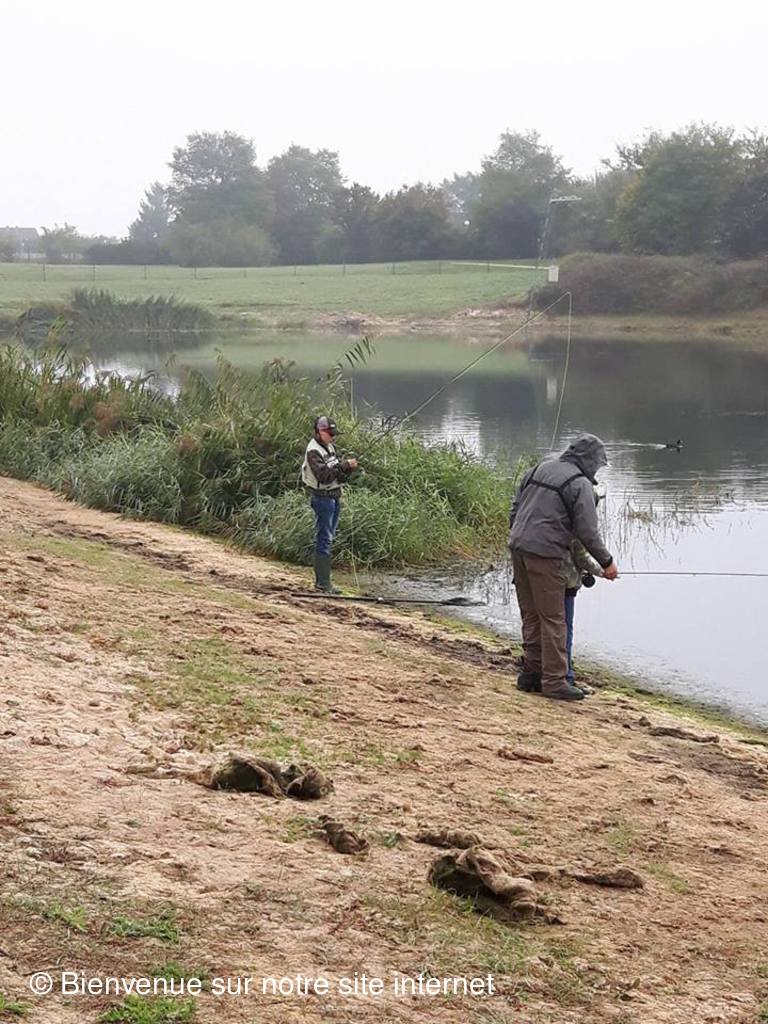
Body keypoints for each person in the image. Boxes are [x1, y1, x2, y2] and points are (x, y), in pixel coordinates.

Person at [508, 433, 618, 701]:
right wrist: (607, 562)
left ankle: (531, 674)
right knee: (554, 621)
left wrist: (521, 537)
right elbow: (587, 532)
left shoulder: (538, 468)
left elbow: (514, 510)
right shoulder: (580, 484)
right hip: (547, 555)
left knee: (531, 616)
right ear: (590, 461)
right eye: (598, 464)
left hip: (519, 548)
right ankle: (555, 682)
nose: (597, 470)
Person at [301, 415, 358, 593]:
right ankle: (323, 584)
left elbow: (336, 474)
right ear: (319, 432)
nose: (333, 437)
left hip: (333, 497)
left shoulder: (329, 447)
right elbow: (324, 476)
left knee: (328, 538)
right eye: (330, 434)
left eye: (334, 434)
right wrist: (343, 466)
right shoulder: (313, 451)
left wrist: (347, 470)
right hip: (322, 499)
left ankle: (324, 582)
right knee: (324, 539)